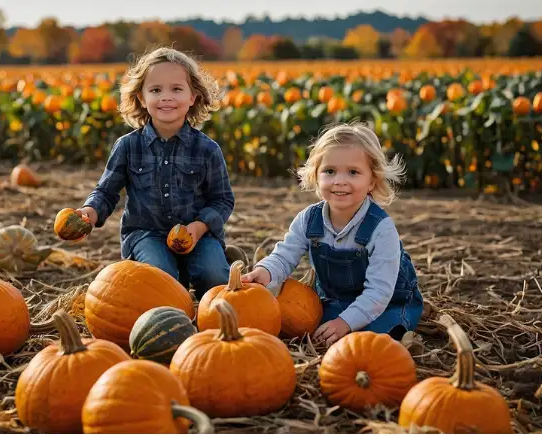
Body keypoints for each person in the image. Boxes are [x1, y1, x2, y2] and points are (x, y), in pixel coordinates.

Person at [241, 122, 423, 346]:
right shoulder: (309, 219)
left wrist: (345, 323)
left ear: (371, 181)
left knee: (367, 341)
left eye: (353, 172)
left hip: (387, 303)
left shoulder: (381, 229)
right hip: (336, 300)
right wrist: (266, 272)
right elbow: (284, 255)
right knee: (307, 329)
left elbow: (379, 293)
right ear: (316, 176)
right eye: (330, 171)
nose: (340, 181)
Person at [77, 47, 237, 300]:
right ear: (141, 98)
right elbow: (106, 192)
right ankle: (177, 275)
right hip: (145, 235)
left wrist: (199, 227)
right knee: (161, 283)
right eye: (155, 90)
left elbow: (223, 199)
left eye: (176, 89)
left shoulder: (207, 149)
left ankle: (217, 262)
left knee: (215, 279)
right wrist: (90, 211)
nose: (166, 97)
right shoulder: (128, 146)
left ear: (193, 97)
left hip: (195, 233)